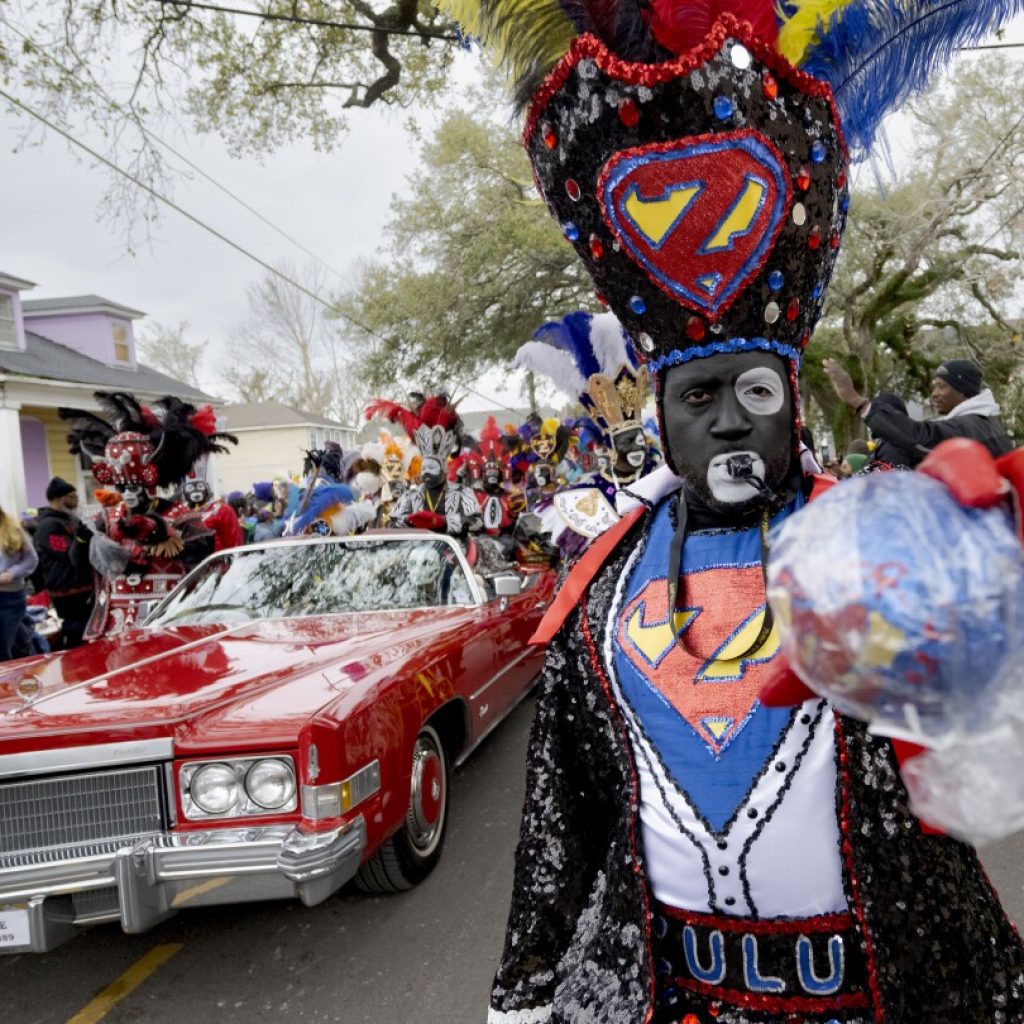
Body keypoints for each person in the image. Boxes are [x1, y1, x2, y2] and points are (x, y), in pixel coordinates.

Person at [448, 1, 1024, 1021]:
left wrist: (984, 565)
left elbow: (983, 732)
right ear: (660, 417)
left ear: (792, 402)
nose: (723, 427)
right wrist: (525, 995)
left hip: (883, 988)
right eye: (697, 400)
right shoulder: (601, 592)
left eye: (750, 395)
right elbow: (564, 814)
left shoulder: (878, 546)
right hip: (669, 994)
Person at [60, 392, 236, 639]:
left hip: (169, 619)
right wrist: (81, 539)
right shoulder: (107, 519)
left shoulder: (180, 515)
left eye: (135, 487)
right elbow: (79, 567)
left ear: (150, 483)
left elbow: (204, 556)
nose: (129, 495)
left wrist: (159, 531)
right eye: (123, 488)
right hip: (115, 624)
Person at [515, 311, 658, 554]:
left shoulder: (662, 477)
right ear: (612, 446)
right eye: (626, 441)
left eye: (638, 440)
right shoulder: (592, 488)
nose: (635, 448)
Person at [825, 357, 1013, 464]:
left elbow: (920, 438)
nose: (934, 394)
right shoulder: (985, 423)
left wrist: (856, 400)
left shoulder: (970, 427)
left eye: (942, 387)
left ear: (962, 389)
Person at [367, 393, 483, 540]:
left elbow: (477, 523)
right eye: (425, 467)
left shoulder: (462, 492)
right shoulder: (411, 495)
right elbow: (391, 523)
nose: (427, 471)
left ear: (443, 469)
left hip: (455, 553)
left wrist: (444, 522)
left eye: (432, 467)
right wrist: (410, 521)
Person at [33, 476, 94, 648]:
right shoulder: (48, 525)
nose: (77, 501)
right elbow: (68, 555)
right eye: (73, 497)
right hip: (68, 592)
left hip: (85, 588)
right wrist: (82, 539)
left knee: (89, 633)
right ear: (60, 499)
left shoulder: (71, 520)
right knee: (77, 633)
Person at [0, 505, 39, 662]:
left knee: (3, 650)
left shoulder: (13, 532)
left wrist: (12, 573)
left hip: (10, 598)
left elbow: (32, 559)